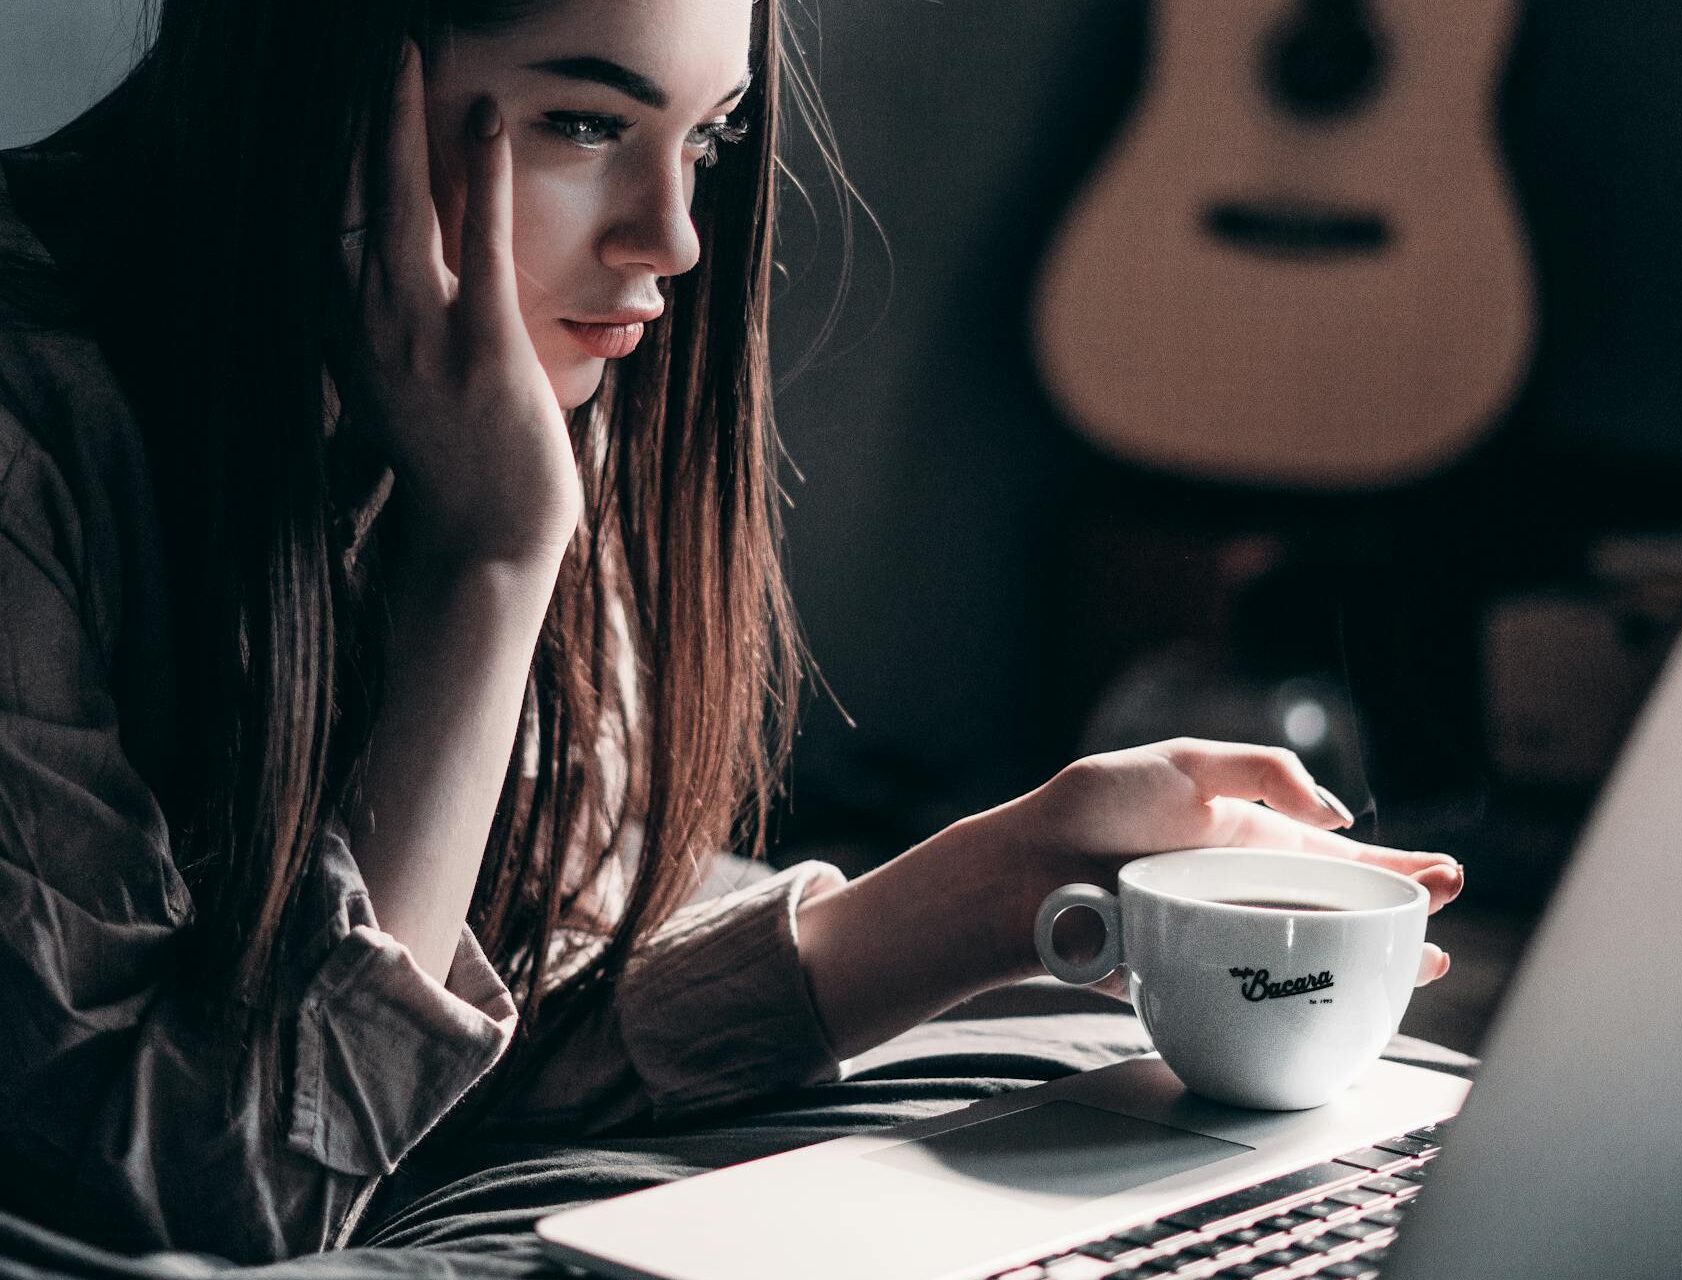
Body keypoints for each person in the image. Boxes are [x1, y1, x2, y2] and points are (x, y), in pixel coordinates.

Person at [0, 0, 1461, 1264]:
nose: (677, 237)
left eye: (706, 138)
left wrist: (999, 885)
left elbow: (479, 1036)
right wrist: (497, 561)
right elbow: (203, 1211)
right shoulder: (46, 440)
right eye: (583, 122)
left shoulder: (501, 387)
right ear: (317, 75)